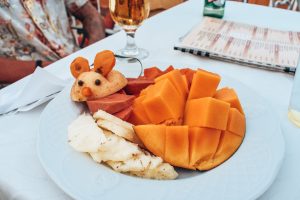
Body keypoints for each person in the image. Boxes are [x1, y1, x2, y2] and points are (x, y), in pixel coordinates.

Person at [0, 0, 106, 86]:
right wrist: (53, 70)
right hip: (26, 86)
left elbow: (91, 16)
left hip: (79, 67)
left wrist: (95, 57)